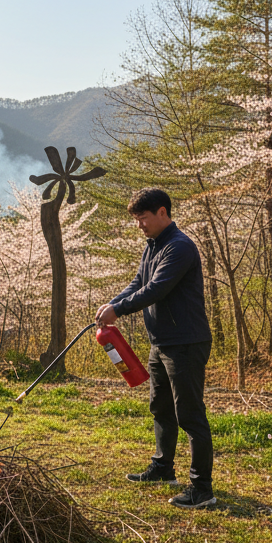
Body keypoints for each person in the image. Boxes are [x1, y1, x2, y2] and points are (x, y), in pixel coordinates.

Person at [96, 188, 216, 509]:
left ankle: (202, 489)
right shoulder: (153, 246)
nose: (140, 225)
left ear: (162, 212)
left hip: (186, 343)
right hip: (161, 343)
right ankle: (163, 468)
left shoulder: (180, 247)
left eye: (143, 218)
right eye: (137, 219)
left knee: (190, 414)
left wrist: (118, 312)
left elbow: (157, 289)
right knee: (161, 408)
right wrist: (113, 302)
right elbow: (138, 283)